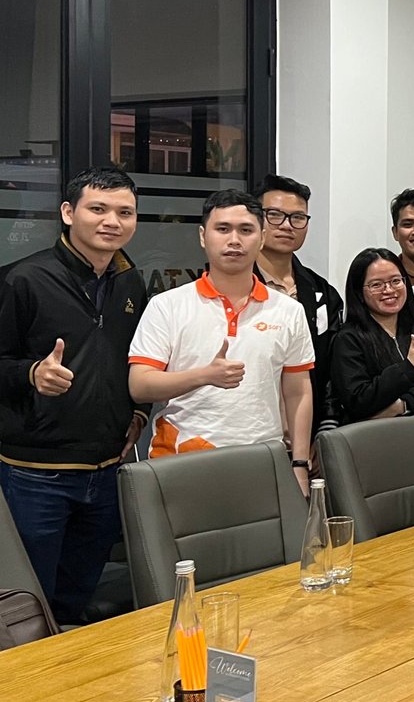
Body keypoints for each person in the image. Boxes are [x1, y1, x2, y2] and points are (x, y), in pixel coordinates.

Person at [0, 166, 149, 624]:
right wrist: (33, 373)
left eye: (125, 212)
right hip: (38, 476)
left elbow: (141, 359)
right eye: (98, 209)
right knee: (26, 606)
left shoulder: (131, 282)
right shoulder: (22, 279)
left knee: (77, 602)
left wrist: (139, 412)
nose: (112, 221)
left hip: (107, 471)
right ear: (69, 213)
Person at [129, 190, 316, 491]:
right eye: (223, 229)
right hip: (182, 462)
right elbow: (140, 385)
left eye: (246, 230)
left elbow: (298, 392)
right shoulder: (167, 305)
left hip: (263, 462)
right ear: (203, 236)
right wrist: (205, 375)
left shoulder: (289, 310)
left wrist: (299, 464)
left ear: (262, 238)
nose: (234, 240)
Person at [254, 174, 344, 442]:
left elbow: (332, 367)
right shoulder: (235, 288)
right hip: (249, 432)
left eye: (297, 218)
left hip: (308, 431)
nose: (286, 225)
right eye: (274, 215)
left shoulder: (323, 293)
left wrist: (325, 428)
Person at [328, 248, 414, 426]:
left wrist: (402, 405)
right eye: (376, 285)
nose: (389, 290)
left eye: (396, 281)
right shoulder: (348, 339)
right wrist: (409, 368)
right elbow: (358, 400)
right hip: (373, 438)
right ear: (359, 293)